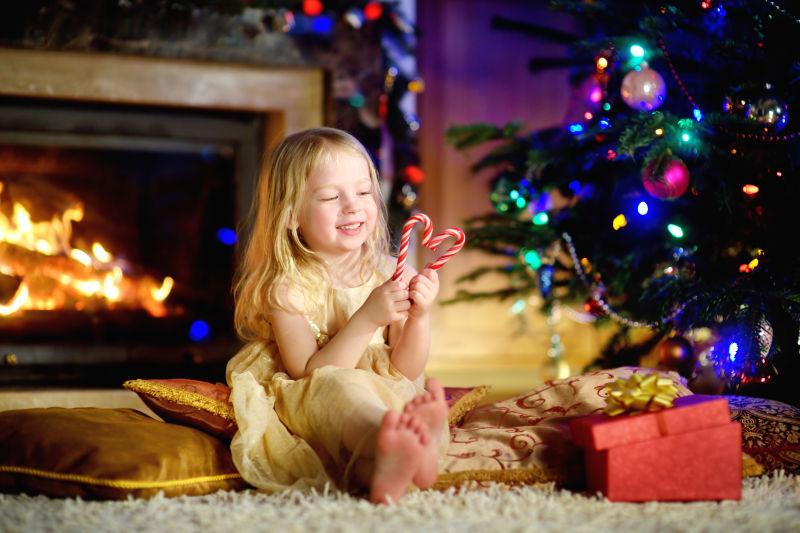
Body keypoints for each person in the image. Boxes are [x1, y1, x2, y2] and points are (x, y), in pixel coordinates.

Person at [226, 127, 449, 504]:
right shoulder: (286, 287)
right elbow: (309, 374)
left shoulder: (391, 273)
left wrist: (420, 318)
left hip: (383, 389)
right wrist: (366, 319)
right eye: (330, 196)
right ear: (292, 215)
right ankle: (390, 443)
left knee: (398, 398)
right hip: (316, 396)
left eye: (363, 192)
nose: (352, 206)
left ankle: (398, 460)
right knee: (342, 390)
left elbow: (407, 370)